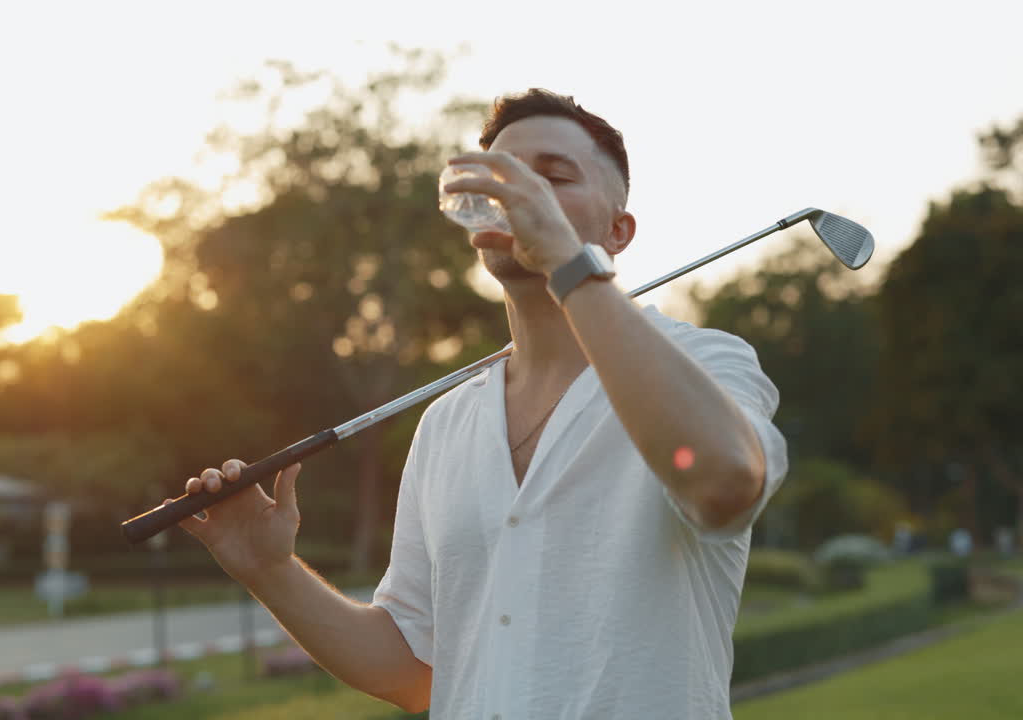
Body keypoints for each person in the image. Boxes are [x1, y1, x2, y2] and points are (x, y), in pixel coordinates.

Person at [170, 88, 788, 718]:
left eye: (553, 177)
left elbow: (721, 482)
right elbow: (414, 673)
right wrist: (270, 571)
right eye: (502, 179)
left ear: (618, 230)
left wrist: (568, 266)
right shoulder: (445, 424)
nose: (521, 196)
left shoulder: (707, 363)